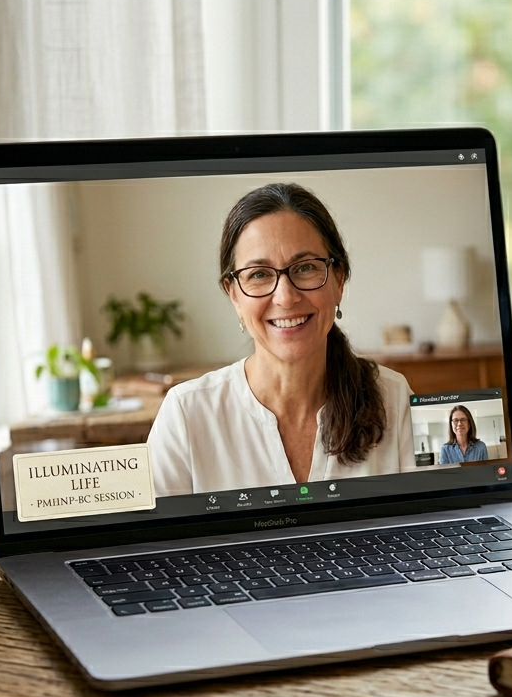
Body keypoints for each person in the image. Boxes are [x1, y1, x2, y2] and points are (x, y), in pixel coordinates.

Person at [148, 183, 414, 496]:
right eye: (259, 274)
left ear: (339, 279)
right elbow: (152, 541)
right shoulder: (187, 414)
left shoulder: (394, 400)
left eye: (305, 268)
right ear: (233, 293)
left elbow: (437, 523)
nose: (286, 298)